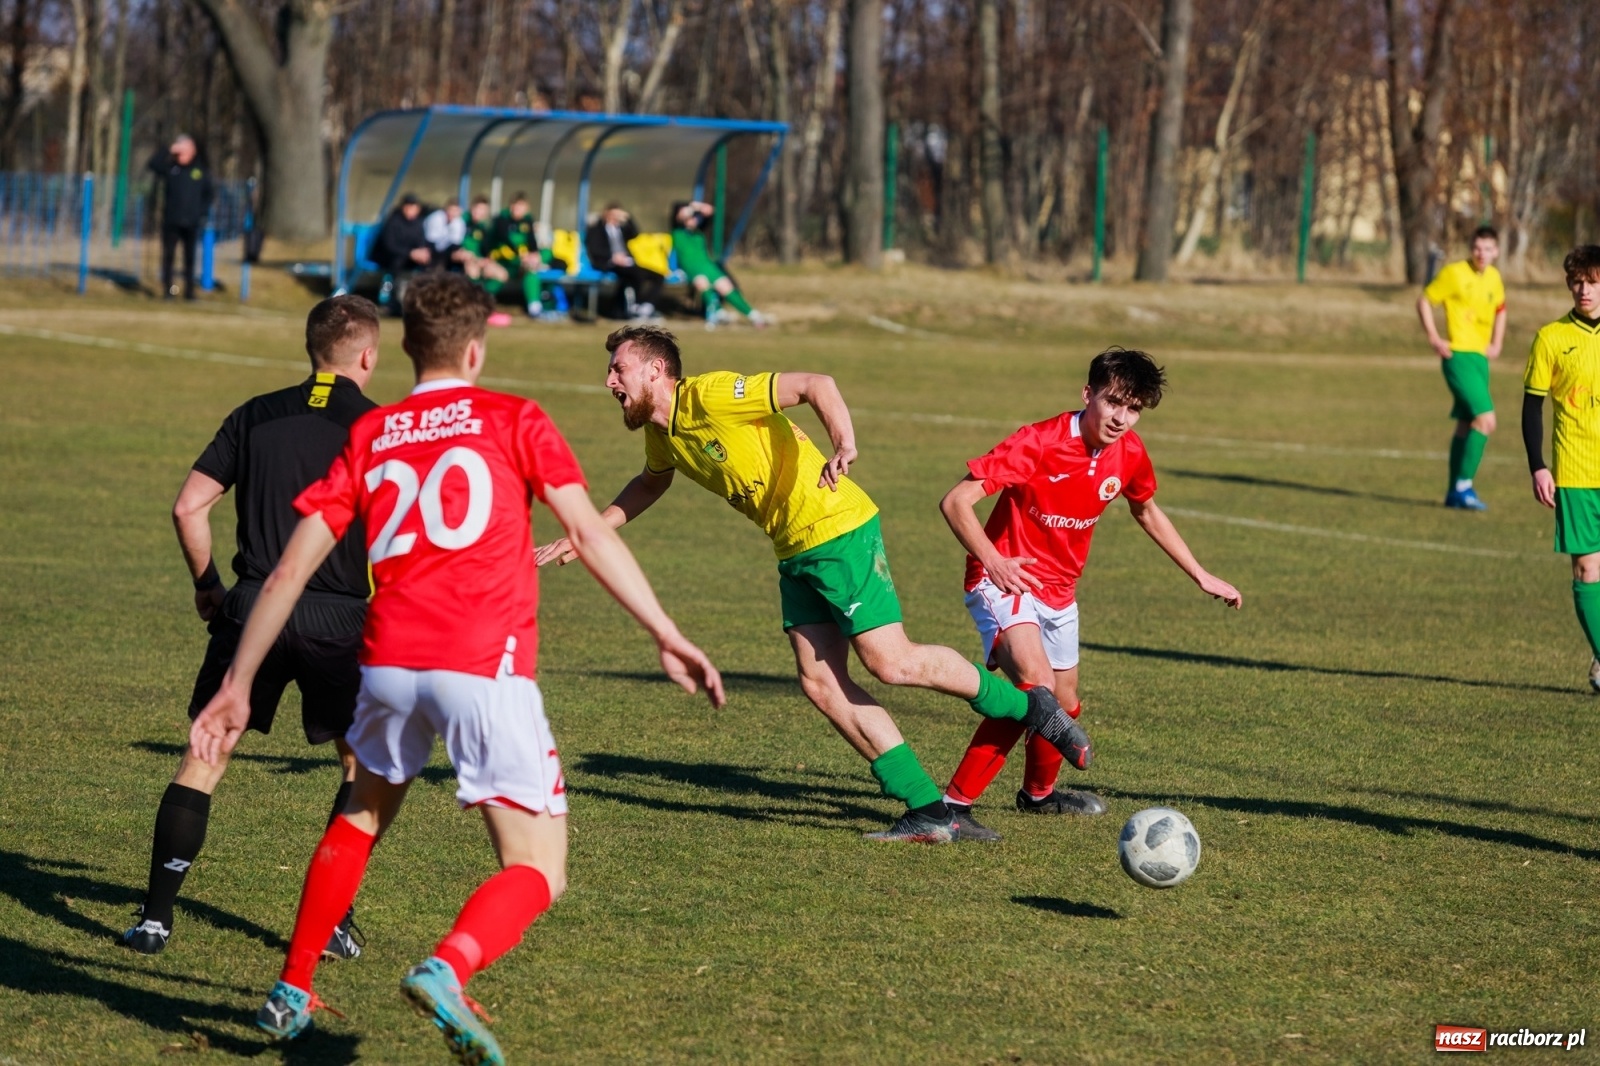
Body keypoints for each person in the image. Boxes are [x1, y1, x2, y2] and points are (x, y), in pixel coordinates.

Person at [189, 274, 723, 1062]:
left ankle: (292, 986)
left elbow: (287, 571)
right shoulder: (515, 418)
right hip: (482, 663)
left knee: (362, 814)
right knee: (538, 868)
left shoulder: (371, 432)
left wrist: (237, 683)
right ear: (476, 351)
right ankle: (448, 967)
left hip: (387, 664)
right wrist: (665, 632)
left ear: (404, 348)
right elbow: (589, 532)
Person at [534, 325, 1091, 843]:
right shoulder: (664, 432)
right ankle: (928, 810)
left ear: (656, 370)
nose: (609, 381)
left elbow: (815, 384)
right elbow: (650, 483)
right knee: (821, 684)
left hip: (836, 529)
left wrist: (844, 444)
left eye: (618, 369)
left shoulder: (710, 395)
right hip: (794, 548)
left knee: (891, 661)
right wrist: (586, 531)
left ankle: (1031, 707)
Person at [123, 296, 383, 958]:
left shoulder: (255, 413)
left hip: (250, 608)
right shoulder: (383, 429)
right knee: (360, 769)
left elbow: (188, 507)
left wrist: (207, 586)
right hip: (340, 619)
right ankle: (331, 923)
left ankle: (154, 920)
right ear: (368, 356)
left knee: (206, 754)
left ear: (311, 349)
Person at [936, 347, 1242, 840]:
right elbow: (956, 501)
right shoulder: (1039, 441)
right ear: (1087, 394)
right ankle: (951, 808)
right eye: (1113, 402)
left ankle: (1038, 795)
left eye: (1133, 408)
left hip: (1060, 589)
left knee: (1065, 701)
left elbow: (1146, 510)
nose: (1121, 418)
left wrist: (1200, 573)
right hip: (1004, 578)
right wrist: (994, 560)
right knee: (1035, 690)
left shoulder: (1131, 453)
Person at [1521, 245, 1600, 692]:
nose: (1583, 290)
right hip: (1575, 474)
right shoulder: (1550, 338)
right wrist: (1538, 466)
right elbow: (1532, 407)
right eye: (1577, 281)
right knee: (1588, 571)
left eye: (1592, 281)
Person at [1417, 225, 1507, 510]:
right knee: (1486, 420)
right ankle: (1464, 487)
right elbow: (1424, 301)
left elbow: (1501, 309)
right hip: (1458, 356)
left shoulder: (1494, 278)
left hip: (1480, 359)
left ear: (1496, 251)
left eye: (1487, 249)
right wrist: (1434, 338)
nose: (1482, 254)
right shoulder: (1454, 273)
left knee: (1466, 424)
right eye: (1477, 248)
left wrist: (1497, 343)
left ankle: (1452, 492)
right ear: (1471, 249)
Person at [670, 201, 768, 328]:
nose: (692, 219)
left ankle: (753, 315)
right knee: (703, 283)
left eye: (693, 217)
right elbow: (680, 218)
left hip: (707, 266)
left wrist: (696, 207)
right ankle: (715, 315)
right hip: (692, 269)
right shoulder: (677, 232)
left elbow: (710, 210)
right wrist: (688, 211)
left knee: (725, 287)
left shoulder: (698, 232)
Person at [146, 134, 215, 301]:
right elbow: (153, 164)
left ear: (193, 150)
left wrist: (200, 212)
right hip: (171, 221)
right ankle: (169, 291)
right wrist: (169, 149)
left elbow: (210, 194)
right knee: (168, 257)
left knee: (189, 259)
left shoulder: (200, 170)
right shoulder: (171, 168)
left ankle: (189, 293)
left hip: (192, 222)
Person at [490, 193, 568, 321]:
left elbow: (532, 242)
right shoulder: (501, 220)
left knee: (537, 266)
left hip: (523, 261)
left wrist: (534, 255)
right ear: (511, 206)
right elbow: (505, 242)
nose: (518, 210)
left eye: (522, 207)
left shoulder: (527, 220)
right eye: (516, 206)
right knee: (527, 269)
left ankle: (535, 308)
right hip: (506, 262)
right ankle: (484, 304)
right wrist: (522, 255)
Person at [585, 202, 662, 319]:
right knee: (636, 275)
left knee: (658, 276)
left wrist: (628, 217)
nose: (615, 217)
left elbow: (635, 233)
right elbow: (594, 249)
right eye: (613, 214)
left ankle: (646, 305)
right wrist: (613, 257)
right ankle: (635, 305)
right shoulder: (596, 229)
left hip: (627, 262)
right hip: (609, 262)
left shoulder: (622, 229)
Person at [373, 194, 434, 311]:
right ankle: (390, 301)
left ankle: (425, 298)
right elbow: (389, 246)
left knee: (429, 264)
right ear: (403, 207)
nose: (412, 211)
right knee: (397, 263)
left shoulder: (418, 223)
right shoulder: (393, 222)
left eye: (414, 208)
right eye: (409, 207)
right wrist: (410, 253)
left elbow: (421, 242)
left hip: (409, 258)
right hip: (390, 257)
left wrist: (421, 252)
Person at [423, 199, 466, 266]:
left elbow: (455, 244)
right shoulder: (436, 218)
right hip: (427, 247)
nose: (453, 213)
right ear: (446, 209)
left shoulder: (459, 222)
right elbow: (430, 242)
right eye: (451, 210)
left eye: (456, 211)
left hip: (445, 252)